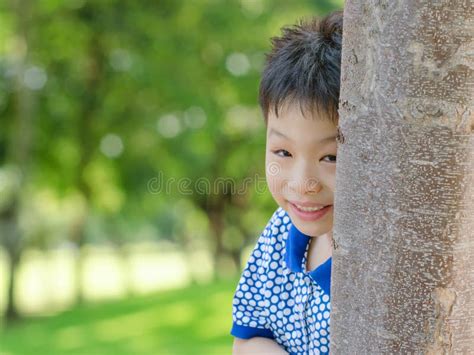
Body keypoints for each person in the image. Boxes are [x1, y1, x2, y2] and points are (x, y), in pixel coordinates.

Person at [231, 10, 343, 354]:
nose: (303, 183)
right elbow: (248, 338)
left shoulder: (385, 255)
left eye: (331, 157)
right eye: (282, 152)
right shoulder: (280, 234)